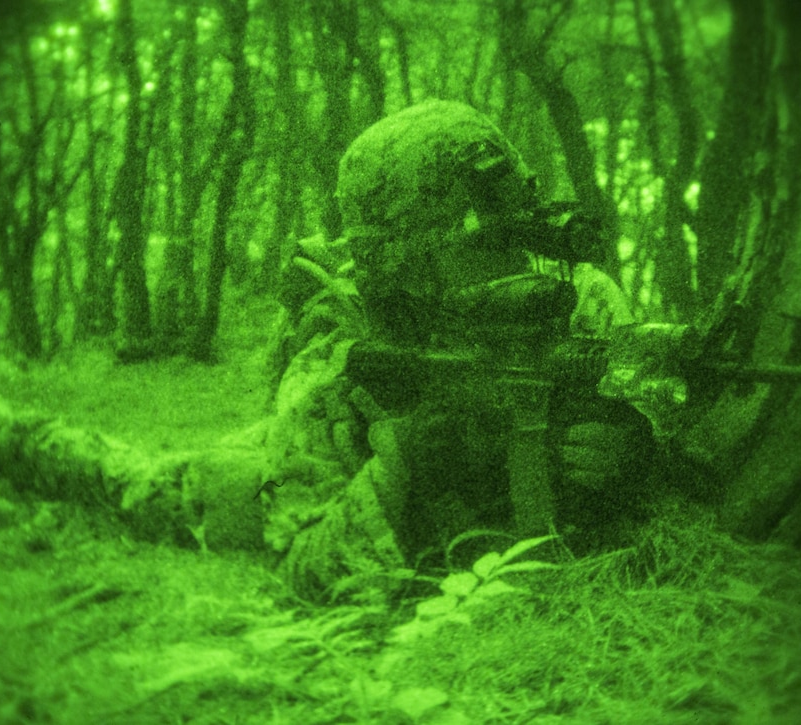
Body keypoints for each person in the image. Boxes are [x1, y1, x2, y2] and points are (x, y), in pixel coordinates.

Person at [263, 100, 655, 601]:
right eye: (480, 245)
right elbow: (301, 568)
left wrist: (635, 456)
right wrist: (406, 463)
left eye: (516, 232)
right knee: (198, 486)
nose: (513, 261)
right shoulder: (342, 347)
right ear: (402, 260)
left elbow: (678, 452)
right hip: (281, 463)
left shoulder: (582, 301)